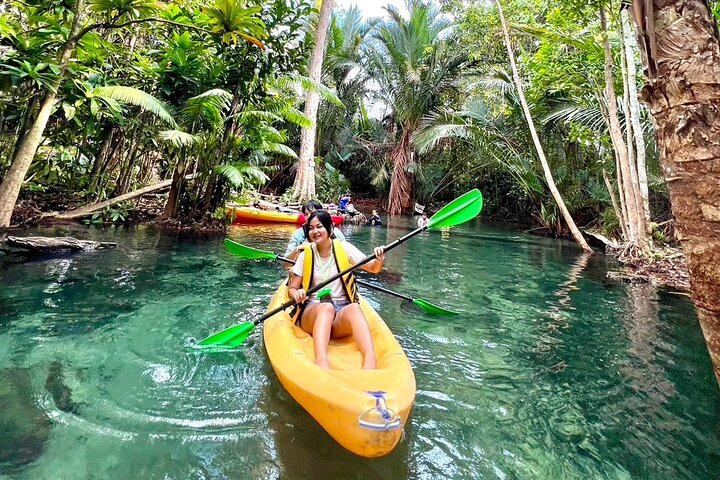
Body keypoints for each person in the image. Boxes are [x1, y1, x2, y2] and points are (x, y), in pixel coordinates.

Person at [288, 210, 386, 369]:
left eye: (319, 227)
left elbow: (374, 269)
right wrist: (297, 293)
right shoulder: (305, 255)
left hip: (340, 314)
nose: (315, 231)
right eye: (311, 228)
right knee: (326, 308)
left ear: (330, 228)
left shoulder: (344, 248)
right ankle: (321, 361)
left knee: (354, 308)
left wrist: (379, 258)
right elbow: (292, 288)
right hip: (313, 312)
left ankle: (370, 361)